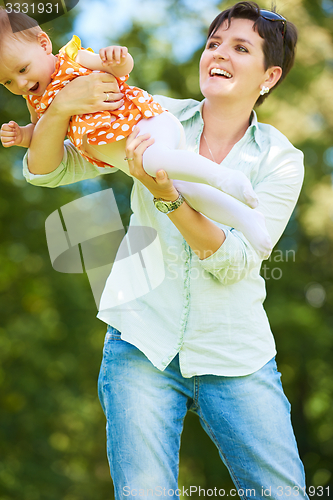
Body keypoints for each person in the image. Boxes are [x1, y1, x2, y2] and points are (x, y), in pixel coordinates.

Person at [21, 1, 308, 498]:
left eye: (241, 48)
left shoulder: (282, 159)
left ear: (270, 75)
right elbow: (49, 170)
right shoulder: (152, 113)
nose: (220, 54)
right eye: (214, 43)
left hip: (235, 355)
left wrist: (167, 196)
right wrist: (62, 106)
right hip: (139, 343)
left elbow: (234, 262)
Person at [0, 7, 272, 258]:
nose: (21, 83)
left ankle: (223, 177)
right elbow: (42, 132)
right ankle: (245, 217)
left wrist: (118, 58)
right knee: (186, 191)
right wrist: (22, 135)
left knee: (152, 162)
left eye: (22, 69)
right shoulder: (35, 101)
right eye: (7, 81)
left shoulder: (71, 58)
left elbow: (117, 69)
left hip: (141, 125)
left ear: (44, 44)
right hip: (137, 148)